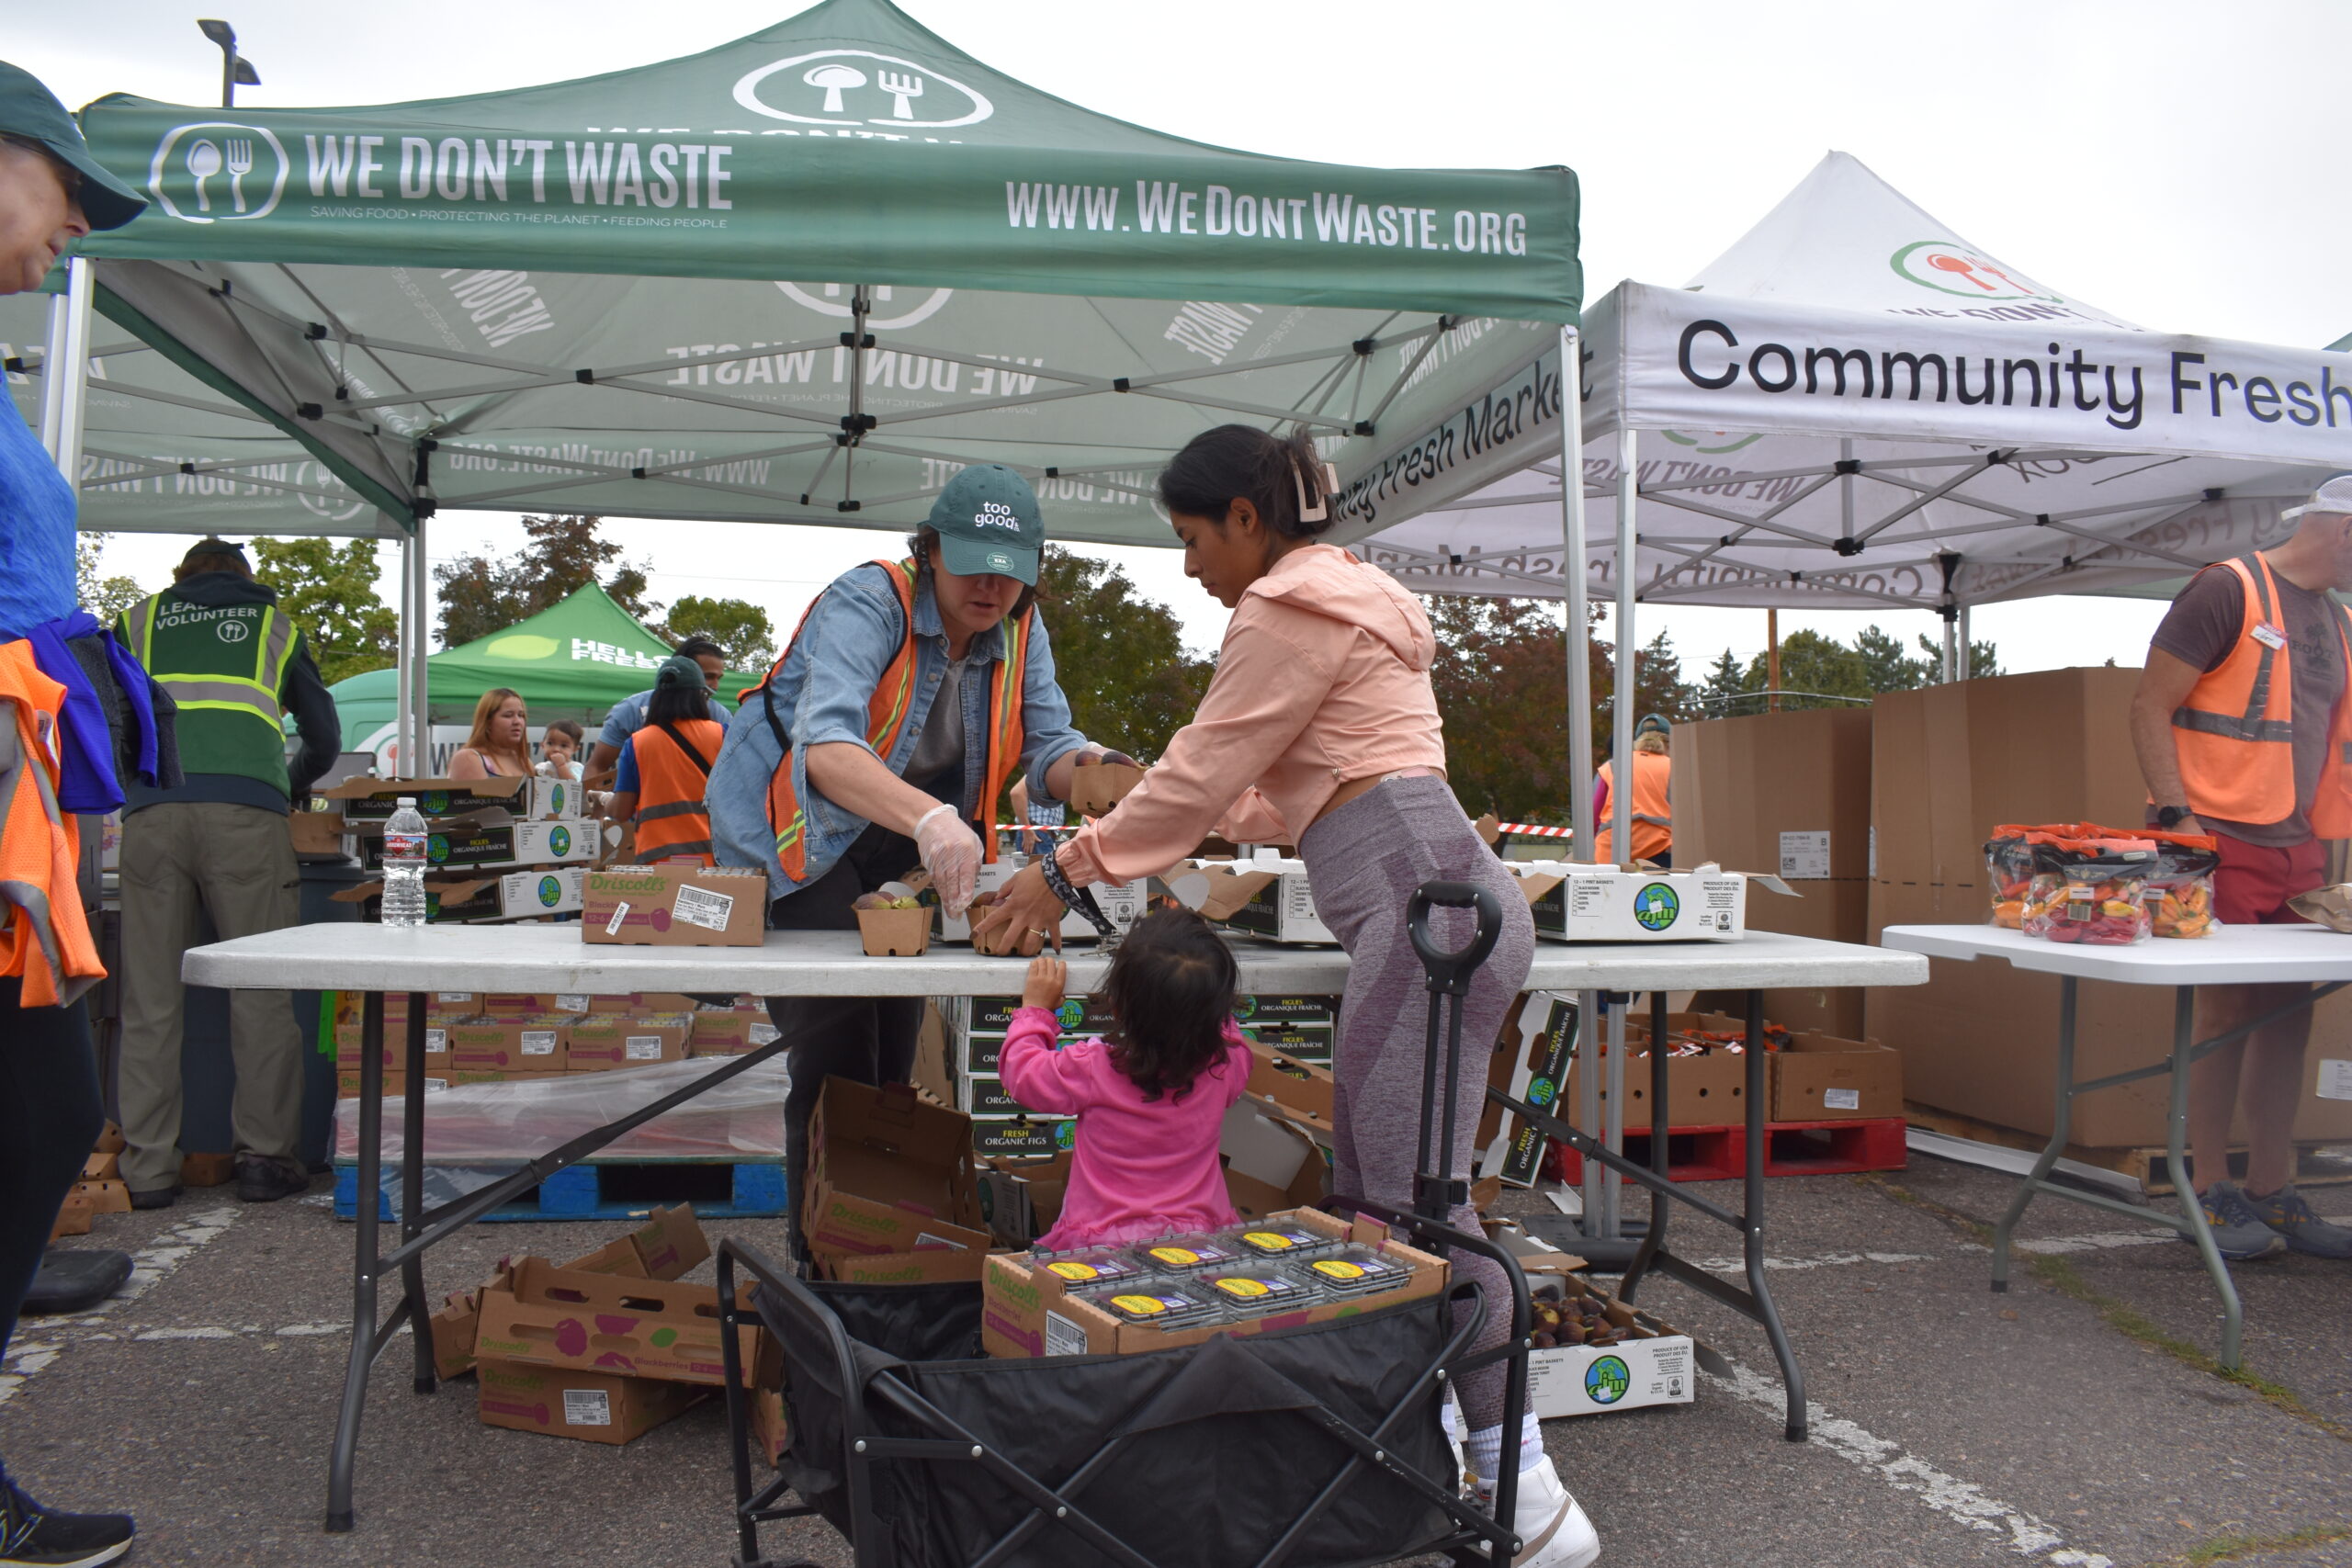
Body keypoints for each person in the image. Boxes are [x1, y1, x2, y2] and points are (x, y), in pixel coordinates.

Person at [973, 426, 1592, 1568]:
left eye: (1191, 538)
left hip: (1425, 918)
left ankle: (1532, 1499)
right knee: (1377, 1208)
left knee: (1422, 1217)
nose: (1188, 566)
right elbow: (1269, 795)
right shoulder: (1353, 595)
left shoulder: (1284, 608)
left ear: (1244, 521)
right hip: (1432, 903)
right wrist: (1139, 807)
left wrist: (1066, 865)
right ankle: (1426, 1462)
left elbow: (1207, 775)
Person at [707, 464, 1104, 1220]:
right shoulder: (869, 598)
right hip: (799, 833)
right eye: (970, 564)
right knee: (836, 1057)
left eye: (1009, 571)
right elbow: (825, 747)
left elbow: (1050, 747)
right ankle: (824, 1262)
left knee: (895, 1053)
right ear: (929, 550)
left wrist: (1092, 768)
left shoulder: (1020, 631)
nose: (989, 586)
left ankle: (884, 1249)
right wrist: (928, 816)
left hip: (900, 841)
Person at [0, 58, 150, 1566]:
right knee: (40, 1106)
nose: (69, 238)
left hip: (23, 792)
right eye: (64, 197)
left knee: (41, 1105)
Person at [2132, 477, 2352, 1263]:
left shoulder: (2340, 619)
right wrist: (2176, 821)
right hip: (2215, 837)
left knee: (2288, 1017)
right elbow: (2149, 703)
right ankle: (2211, 1188)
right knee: (2225, 1013)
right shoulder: (2228, 589)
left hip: (2302, 849)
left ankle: (2270, 1188)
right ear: (2343, 532)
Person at [115, 536, 339, 1212]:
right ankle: (266, 1160)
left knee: (150, 1001)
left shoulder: (135, 621)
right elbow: (324, 738)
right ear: (246, 577)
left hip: (153, 814)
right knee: (261, 991)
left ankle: (148, 1170)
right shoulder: (276, 625)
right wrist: (287, 786)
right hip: (248, 814)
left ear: (180, 578)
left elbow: (106, 720)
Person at [1001, 911, 1253, 1250]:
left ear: (1117, 1007)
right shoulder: (1225, 1067)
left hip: (1102, 1250)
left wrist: (1035, 1010)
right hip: (1201, 1246)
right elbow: (1224, 1027)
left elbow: (1024, 1074)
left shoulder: (1092, 1067)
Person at [608, 656, 724, 864]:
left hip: (659, 866)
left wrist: (604, 800)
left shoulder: (637, 744)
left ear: (657, 697)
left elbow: (621, 811)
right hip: (716, 862)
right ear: (700, 694)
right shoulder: (722, 735)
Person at [586, 637, 727, 784]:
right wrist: (594, 802)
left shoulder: (720, 715)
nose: (715, 686)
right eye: (708, 677)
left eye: (719, 678)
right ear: (683, 670)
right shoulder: (630, 710)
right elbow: (596, 767)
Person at [1590, 715, 1671, 865]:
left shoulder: (1612, 766)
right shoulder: (1674, 767)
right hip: (1659, 850)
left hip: (1611, 851)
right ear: (1669, 743)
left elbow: (1593, 816)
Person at [448, 687, 531, 781]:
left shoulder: (524, 762)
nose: (517, 721)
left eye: (521, 715)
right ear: (487, 722)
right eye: (508, 715)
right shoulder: (469, 758)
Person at [537, 717, 584, 783]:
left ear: (575, 749)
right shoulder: (541, 767)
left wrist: (561, 766)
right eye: (550, 743)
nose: (556, 749)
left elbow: (574, 785)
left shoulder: (575, 767)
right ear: (542, 745)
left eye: (563, 745)